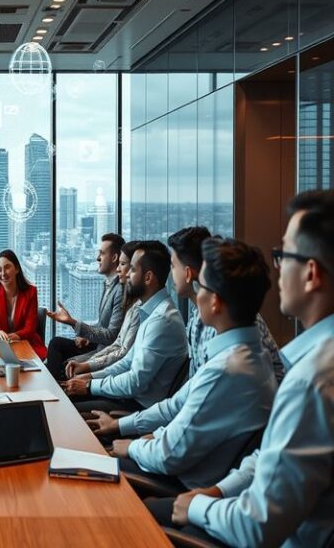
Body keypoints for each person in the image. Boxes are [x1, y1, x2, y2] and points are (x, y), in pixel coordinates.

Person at [168, 190, 334, 547]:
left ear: (310, 274)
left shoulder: (314, 380)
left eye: (283, 255)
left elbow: (256, 526)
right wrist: (218, 490)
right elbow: (273, 456)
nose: (277, 269)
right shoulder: (310, 369)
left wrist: (198, 507)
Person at [106, 238, 277, 493]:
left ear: (216, 301)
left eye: (203, 286)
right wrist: (129, 430)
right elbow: (180, 405)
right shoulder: (236, 356)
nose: (198, 292)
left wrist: (131, 446)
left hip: (184, 481)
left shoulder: (226, 369)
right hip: (189, 465)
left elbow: (170, 454)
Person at [67, 240, 189, 414]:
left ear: (148, 277)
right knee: (65, 395)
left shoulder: (162, 320)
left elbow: (134, 382)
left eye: (132, 269)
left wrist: (89, 385)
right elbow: (127, 362)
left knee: (66, 408)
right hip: (128, 397)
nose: (126, 275)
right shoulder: (147, 310)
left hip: (137, 406)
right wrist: (91, 376)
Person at [168, 226, 284, 383]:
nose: (170, 272)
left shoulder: (225, 320)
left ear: (188, 273)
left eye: (173, 265)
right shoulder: (199, 315)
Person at [45, 233, 126, 379]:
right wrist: (85, 335)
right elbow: (103, 324)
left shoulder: (120, 290)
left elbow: (111, 336)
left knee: (58, 356)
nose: (97, 258)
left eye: (102, 253)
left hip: (104, 350)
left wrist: (73, 323)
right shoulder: (108, 284)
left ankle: (57, 388)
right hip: (96, 343)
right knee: (56, 343)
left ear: (114, 258)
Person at [64, 240, 143, 378]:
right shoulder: (132, 305)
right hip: (104, 355)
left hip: (111, 368)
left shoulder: (138, 308)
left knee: (63, 367)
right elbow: (118, 344)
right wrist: (88, 363)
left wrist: (88, 370)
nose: (120, 270)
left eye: (123, 264)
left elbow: (119, 350)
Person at [0, 250, 47, 359]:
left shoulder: (31, 292)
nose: (3, 274)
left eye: (7, 267)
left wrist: (16, 335)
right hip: (1, 346)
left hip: (26, 344)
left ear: (16, 269)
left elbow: (30, 328)